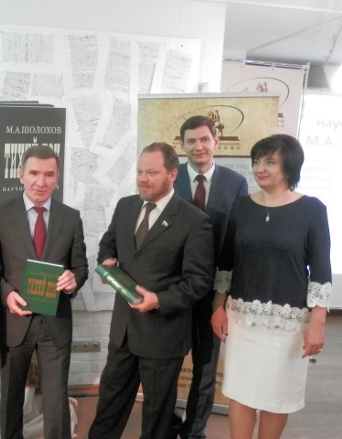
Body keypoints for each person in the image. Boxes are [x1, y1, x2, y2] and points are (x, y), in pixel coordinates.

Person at [89, 142, 215, 439]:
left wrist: (159, 300)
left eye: (151, 173)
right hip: (123, 331)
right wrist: (106, 262)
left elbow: (199, 281)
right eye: (140, 172)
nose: (142, 179)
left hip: (163, 334)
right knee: (109, 405)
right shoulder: (126, 206)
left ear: (172, 174)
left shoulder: (195, 221)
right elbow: (108, 244)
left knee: (157, 416)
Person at [211, 134, 331, 439]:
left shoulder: (312, 209)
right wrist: (218, 307)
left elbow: (320, 270)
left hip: (287, 323)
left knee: (277, 395)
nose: (259, 168)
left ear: (289, 167)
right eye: (256, 161)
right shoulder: (242, 207)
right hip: (242, 319)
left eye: (270, 161)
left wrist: (317, 323)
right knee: (240, 391)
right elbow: (226, 262)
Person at [0, 145, 88, 439]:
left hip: (55, 321)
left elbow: (81, 267)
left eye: (49, 175)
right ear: (21, 175)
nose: (41, 182)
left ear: (57, 178)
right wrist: (6, 293)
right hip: (15, 320)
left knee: (57, 397)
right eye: (33, 173)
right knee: (11, 395)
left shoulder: (71, 217)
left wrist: (74, 279)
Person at [170, 115, 248, 439]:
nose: (198, 146)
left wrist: (223, 296)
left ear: (216, 141)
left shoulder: (236, 183)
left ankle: (194, 432)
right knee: (167, 363)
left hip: (214, 291)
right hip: (173, 289)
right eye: (191, 141)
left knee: (205, 366)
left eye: (204, 139)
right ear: (182, 145)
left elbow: (235, 239)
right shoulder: (170, 178)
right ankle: (167, 426)